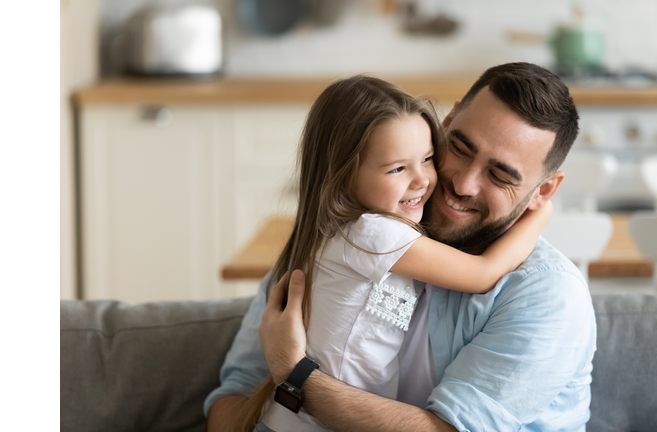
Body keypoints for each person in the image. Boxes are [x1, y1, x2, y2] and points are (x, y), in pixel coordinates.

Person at [205, 62, 597, 432]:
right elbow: (233, 399)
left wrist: (292, 372)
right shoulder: (341, 236)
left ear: (543, 191)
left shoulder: (547, 294)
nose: (462, 184)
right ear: (444, 123)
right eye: (459, 148)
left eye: (498, 175)